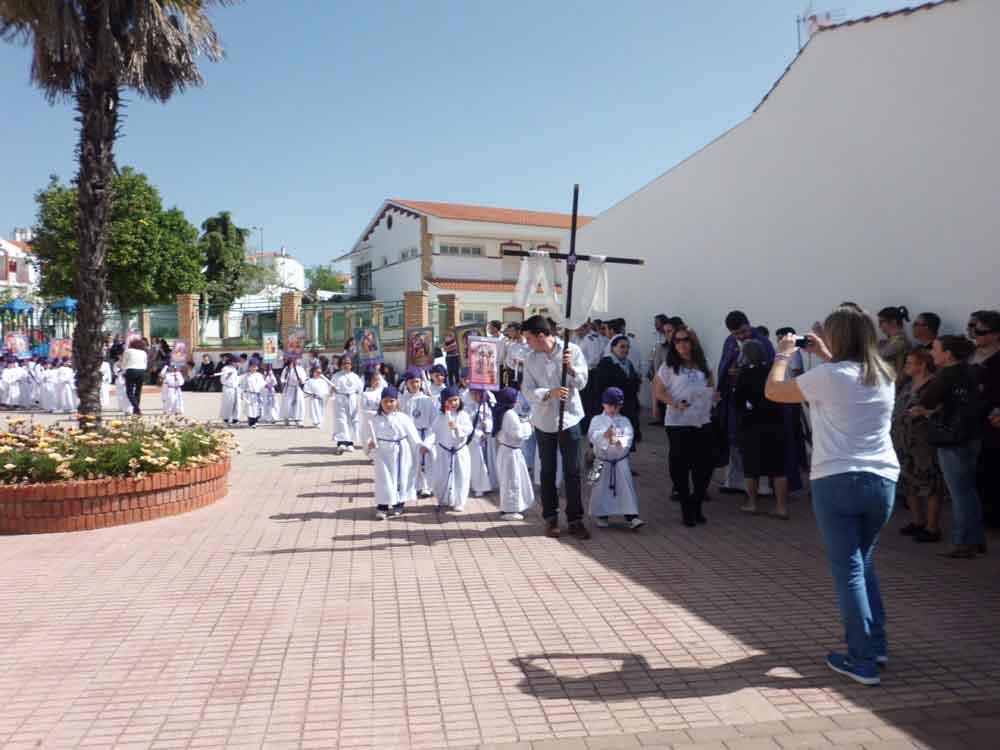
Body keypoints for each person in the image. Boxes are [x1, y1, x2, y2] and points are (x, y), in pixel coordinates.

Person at [765, 304, 898, 686]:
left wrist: (783, 355)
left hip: (837, 479)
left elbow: (774, 391)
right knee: (863, 563)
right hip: (882, 479)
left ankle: (862, 659)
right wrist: (825, 355)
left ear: (837, 337)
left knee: (849, 570)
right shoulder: (883, 374)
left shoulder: (828, 376)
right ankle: (875, 644)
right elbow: (845, 378)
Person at [521, 315, 591, 540]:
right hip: (544, 421)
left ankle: (575, 519)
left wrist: (570, 369)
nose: (527, 343)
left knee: (573, 471)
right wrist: (548, 393)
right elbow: (527, 390)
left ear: (541, 336)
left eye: (529, 338)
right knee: (548, 470)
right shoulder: (530, 359)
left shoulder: (572, 351)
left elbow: (582, 382)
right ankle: (550, 518)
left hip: (569, 418)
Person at [915, 335, 985, 558]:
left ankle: (963, 542)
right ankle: (976, 538)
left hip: (952, 438)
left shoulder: (946, 375)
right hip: (972, 435)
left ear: (948, 354)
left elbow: (926, 400)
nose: (932, 353)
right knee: (968, 490)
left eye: (936, 349)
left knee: (959, 493)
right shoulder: (970, 371)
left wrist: (926, 411)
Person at [653, 326, 717, 527]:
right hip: (678, 422)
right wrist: (674, 403)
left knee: (704, 466)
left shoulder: (704, 363)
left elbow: (711, 386)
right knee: (680, 465)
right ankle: (686, 507)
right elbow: (659, 391)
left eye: (685, 340)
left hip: (702, 420)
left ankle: (697, 502)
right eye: (677, 341)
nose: (682, 344)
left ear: (693, 342)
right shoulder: (668, 367)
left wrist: (713, 397)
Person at [717, 311, 774, 492]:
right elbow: (724, 365)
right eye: (736, 334)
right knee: (734, 440)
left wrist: (747, 373)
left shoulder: (762, 342)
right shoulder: (730, 342)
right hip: (735, 401)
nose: (741, 336)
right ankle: (733, 482)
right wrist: (729, 373)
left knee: (758, 445)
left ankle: (762, 487)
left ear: (749, 324)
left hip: (758, 404)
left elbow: (770, 370)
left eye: (743, 331)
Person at [892, 348, 944, 542]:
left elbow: (940, 411)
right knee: (909, 482)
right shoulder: (908, 384)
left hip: (924, 443)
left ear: (922, 365)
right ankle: (918, 521)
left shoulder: (934, 385)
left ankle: (932, 527)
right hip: (904, 441)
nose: (906, 366)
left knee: (930, 483)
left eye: (909, 363)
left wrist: (925, 413)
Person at [734, 339, 789, 519]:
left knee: (751, 467)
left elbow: (737, 401)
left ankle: (752, 503)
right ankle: (781, 507)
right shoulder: (772, 371)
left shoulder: (744, 374)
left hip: (752, 425)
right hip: (775, 423)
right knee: (778, 468)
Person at [588, 387, 643, 530]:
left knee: (625, 488)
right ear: (603, 404)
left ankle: (632, 516)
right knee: (600, 488)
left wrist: (620, 442)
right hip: (602, 460)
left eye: (616, 406)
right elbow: (592, 435)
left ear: (621, 406)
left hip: (619, 461)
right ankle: (602, 515)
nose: (613, 409)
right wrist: (604, 436)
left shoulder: (624, 421)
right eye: (610, 405)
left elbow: (628, 436)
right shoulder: (597, 419)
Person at [367, 386, 425, 520]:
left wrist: (420, 446)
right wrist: (370, 443)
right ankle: (382, 506)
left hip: (401, 453)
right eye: (385, 401)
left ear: (397, 402)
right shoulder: (375, 419)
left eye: (392, 401)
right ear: (381, 402)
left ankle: (399, 504)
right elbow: (369, 435)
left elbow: (413, 435)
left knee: (401, 478)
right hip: (383, 454)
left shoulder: (403, 418)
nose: (388, 404)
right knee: (384, 479)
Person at [971, 310, 1000, 528]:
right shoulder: (971, 354)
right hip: (971, 421)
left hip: (993, 422)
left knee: (991, 468)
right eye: (974, 330)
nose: (975, 335)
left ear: (996, 334)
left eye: (981, 332)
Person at [427, 386, 473, 512]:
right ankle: (445, 498)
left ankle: (459, 501)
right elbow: (433, 432)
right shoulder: (440, 417)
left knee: (461, 477)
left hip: (459, 451)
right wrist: (426, 445)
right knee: (442, 476)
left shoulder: (463, 415)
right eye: (449, 401)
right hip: (444, 452)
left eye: (455, 400)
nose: (453, 403)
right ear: (444, 403)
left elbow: (469, 429)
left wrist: (457, 427)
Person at [491, 387, 534, 521]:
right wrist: (529, 426)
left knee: (508, 480)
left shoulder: (502, 412)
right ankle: (511, 510)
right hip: (511, 453)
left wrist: (523, 422)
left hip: (506, 451)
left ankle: (509, 507)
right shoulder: (510, 414)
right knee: (512, 481)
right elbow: (518, 435)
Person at [594, 334, 643, 452]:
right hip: (613, 409)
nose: (625, 350)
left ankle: (623, 461)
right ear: (613, 348)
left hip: (628, 408)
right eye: (622, 347)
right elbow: (600, 388)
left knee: (626, 442)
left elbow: (632, 386)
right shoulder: (606, 363)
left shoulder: (628, 363)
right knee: (614, 443)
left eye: (627, 347)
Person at [401, 369, 437, 498]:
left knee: (428, 461)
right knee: (414, 461)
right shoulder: (403, 400)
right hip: (412, 435)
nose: (415, 385)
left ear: (421, 382)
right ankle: (416, 486)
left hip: (426, 433)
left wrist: (428, 440)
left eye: (417, 382)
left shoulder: (428, 400)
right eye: (412, 382)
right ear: (406, 383)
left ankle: (428, 486)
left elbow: (434, 421)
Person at [464, 388, 495, 498]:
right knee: (477, 464)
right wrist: (478, 434)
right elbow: (467, 425)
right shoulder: (467, 409)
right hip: (474, 440)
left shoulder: (486, 407)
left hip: (486, 438)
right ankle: (478, 486)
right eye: (474, 394)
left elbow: (492, 421)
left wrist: (488, 425)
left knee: (488, 461)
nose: (477, 396)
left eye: (479, 393)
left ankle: (489, 484)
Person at [331, 355, 363, 453]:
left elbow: (360, 389)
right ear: (341, 364)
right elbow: (331, 389)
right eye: (344, 363)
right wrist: (332, 390)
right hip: (340, 399)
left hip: (352, 399)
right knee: (341, 420)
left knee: (352, 421)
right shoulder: (336, 376)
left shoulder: (355, 376)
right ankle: (341, 443)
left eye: (348, 363)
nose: (346, 365)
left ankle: (350, 443)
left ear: (351, 364)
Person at [877, 306, 911, 382]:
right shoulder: (890, 341)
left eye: (881, 322)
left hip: (894, 383)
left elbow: (878, 356)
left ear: (893, 322)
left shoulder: (900, 341)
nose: (879, 326)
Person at [122, 339, 148, 416]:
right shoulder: (143, 352)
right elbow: (145, 364)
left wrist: (123, 371)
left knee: (129, 392)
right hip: (141, 371)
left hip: (131, 370)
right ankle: (135, 410)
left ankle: (136, 408)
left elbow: (124, 362)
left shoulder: (128, 351)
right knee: (138, 391)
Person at [280, 357, 307, 426]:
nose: (296, 361)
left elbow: (304, 378)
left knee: (299, 404)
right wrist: (285, 381)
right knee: (288, 404)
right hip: (289, 388)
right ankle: (287, 418)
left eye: (297, 359)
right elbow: (282, 378)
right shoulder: (287, 369)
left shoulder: (301, 369)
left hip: (298, 388)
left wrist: (301, 380)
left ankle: (298, 419)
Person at [241, 360, 266, 428]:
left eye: (255, 367)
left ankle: (255, 421)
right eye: (252, 367)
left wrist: (265, 388)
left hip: (257, 394)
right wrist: (242, 393)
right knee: (250, 409)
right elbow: (243, 385)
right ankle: (251, 422)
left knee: (257, 408)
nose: (253, 368)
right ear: (249, 367)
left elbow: (262, 384)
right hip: (249, 394)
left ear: (257, 367)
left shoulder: (259, 375)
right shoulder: (246, 376)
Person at [217, 354, 241, 425]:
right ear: (233, 362)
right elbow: (222, 380)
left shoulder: (236, 369)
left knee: (237, 404)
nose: (238, 364)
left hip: (236, 388)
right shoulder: (226, 368)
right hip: (228, 388)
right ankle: (226, 418)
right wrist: (228, 375)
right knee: (228, 404)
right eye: (237, 362)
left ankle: (235, 418)